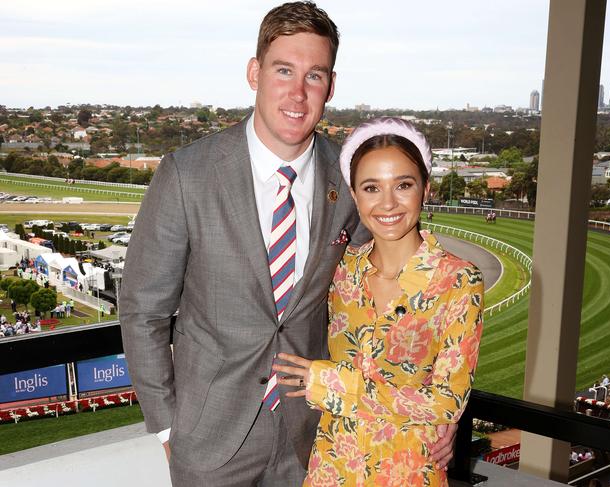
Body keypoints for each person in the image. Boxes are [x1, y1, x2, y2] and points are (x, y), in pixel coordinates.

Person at [119, 4, 458, 486]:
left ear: (331, 86)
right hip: (208, 440)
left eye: (314, 76)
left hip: (315, 437)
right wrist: (169, 427)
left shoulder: (349, 177)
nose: (298, 94)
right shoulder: (186, 174)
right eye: (284, 71)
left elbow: (391, 308)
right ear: (255, 73)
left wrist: (438, 411)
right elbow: (143, 311)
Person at [274, 118, 484, 486]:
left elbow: (447, 401)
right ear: (355, 196)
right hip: (332, 468)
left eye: (403, 185)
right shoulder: (341, 272)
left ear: (426, 189)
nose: (388, 203)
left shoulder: (458, 281)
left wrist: (330, 382)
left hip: (408, 470)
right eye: (372, 188)